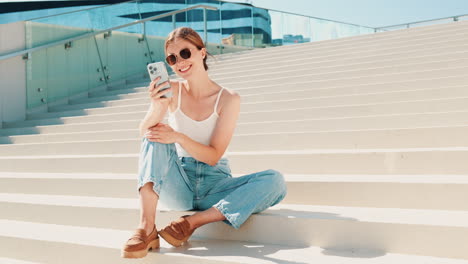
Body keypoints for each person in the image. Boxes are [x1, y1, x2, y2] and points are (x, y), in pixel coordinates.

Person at [121, 27, 287, 259]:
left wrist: (178, 136)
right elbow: (144, 134)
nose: (179, 62)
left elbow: (213, 156)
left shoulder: (228, 98)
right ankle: (146, 229)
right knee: (154, 133)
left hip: (215, 185)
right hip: (179, 183)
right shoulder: (172, 90)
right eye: (172, 58)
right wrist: (158, 107)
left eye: (185, 53)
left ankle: (190, 223)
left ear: (202, 53)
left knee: (275, 181)